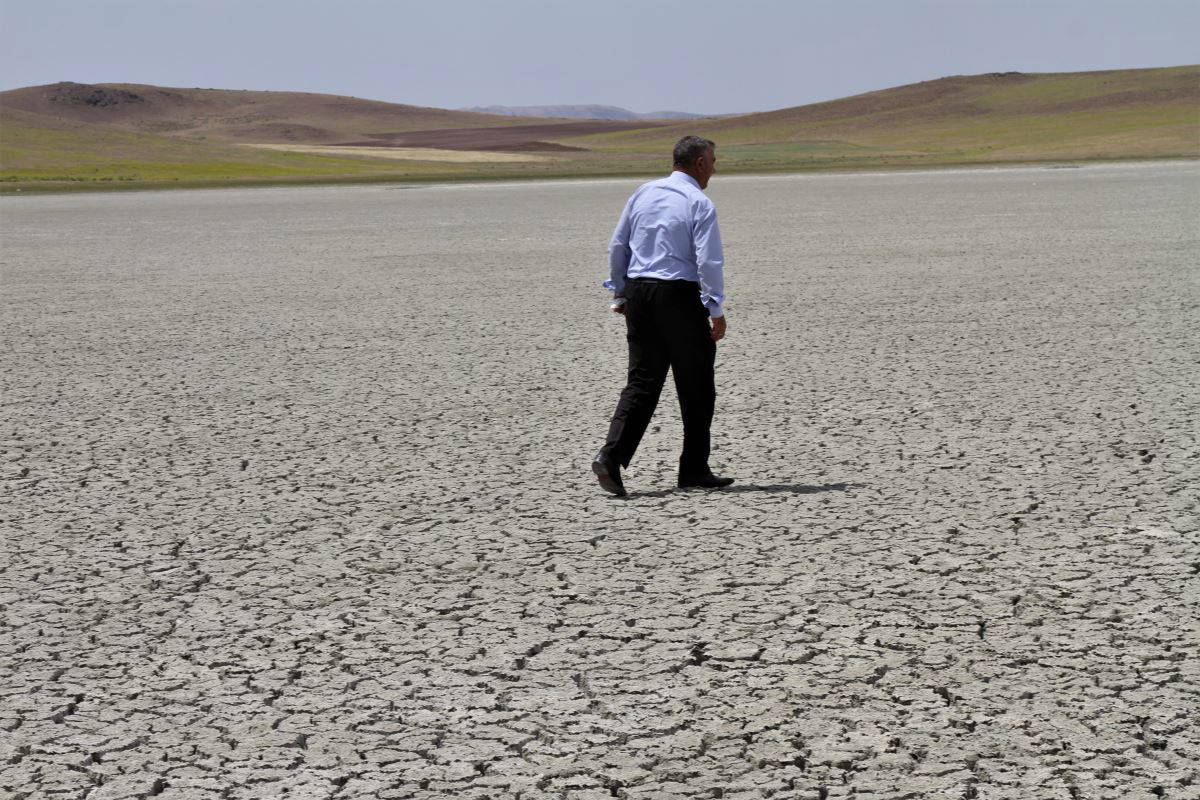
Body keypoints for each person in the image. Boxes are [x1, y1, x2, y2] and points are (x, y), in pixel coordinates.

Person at [592, 135, 734, 497]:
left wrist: (621, 292)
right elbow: (708, 261)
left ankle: (610, 457)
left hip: (640, 292)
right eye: (713, 161)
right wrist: (715, 308)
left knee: (642, 381)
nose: (715, 168)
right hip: (679, 295)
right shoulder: (698, 202)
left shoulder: (643, 192)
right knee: (697, 383)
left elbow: (618, 245)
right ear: (700, 163)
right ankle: (694, 469)